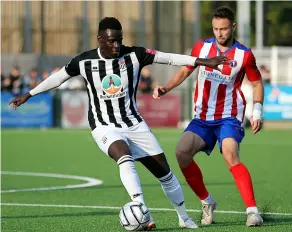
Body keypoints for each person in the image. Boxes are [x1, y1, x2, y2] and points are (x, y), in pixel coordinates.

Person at [9, 17, 227, 230]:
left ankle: (184, 217)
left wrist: (201, 61)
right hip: (104, 126)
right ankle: (140, 207)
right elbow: (58, 78)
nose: (117, 45)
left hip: (134, 124)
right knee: (123, 156)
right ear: (99, 39)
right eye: (111, 41)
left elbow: (167, 58)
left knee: (166, 175)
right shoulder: (84, 61)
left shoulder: (135, 55)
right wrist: (30, 93)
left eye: (119, 40)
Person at [153, 6, 264, 227]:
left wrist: (257, 111)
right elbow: (186, 70)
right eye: (215, 29)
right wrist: (166, 88)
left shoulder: (244, 54)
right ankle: (207, 201)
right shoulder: (201, 47)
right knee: (181, 153)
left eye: (223, 29)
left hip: (229, 116)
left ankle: (252, 211)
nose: (219, 33)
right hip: (202, 117)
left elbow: (257, 82)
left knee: (230, 153)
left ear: (232, 27)